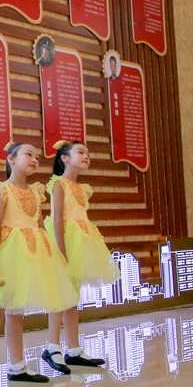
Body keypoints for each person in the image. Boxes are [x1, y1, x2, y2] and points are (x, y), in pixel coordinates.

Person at [0, 143, 79, 387]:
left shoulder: (35, 192)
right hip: (9, 254)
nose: (34, 159)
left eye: (37, 157)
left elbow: (40, 226)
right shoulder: (3, 190)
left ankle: (17, 366)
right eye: (28, 154)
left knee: (16, 312)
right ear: (11, 159)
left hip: (32, 254)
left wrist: (50, 256)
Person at [41, 141, 114, 372]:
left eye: (88, 153)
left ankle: (73, 349)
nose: (86, 156)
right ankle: (52, 346)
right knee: (60, 295)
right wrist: (61, 250)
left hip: (81, 242)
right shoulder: (58, 183)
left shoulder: (82, 188)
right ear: (65, 158)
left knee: (72, 296)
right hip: (65, 241)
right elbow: (57, 219)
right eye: (80, 152)